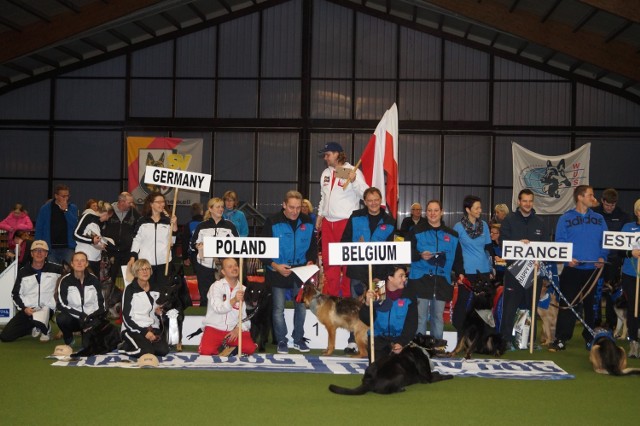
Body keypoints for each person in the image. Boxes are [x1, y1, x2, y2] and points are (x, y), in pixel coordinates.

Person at [551, 185, 608, 352]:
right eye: (590, 195)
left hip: (593, 270)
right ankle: (561, 338)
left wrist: (602, 257)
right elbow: (559, 241)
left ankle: (590, 337)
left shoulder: (599, 218)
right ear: (580, 197)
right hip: (572, 269)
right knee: (567, 304)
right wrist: (566, 258)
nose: (593, 198)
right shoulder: (565, 218)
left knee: (592, 306)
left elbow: (606, 240)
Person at [340, 187, 396, 353]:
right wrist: (356, 247)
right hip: (357, 271)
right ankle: (353, 341)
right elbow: (344, 240)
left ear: (381, 200)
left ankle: (376, 339)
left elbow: (390, 249)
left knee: (378, 306)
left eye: (376, 199)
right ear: (365, 201)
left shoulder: (389, 221)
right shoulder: (355, 217)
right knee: (356, 306)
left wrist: (383, 275)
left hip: (379, 273)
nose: (373, 203)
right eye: (370, 200)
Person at [261, 190, 317, 354]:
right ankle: (281, 341)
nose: (295, 211)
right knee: (278, 309)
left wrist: (310, 260)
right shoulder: (272, 221)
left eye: (298, 208)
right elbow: (262, 250)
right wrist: (275, 266)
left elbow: (313, 246)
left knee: (300, 307)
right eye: (291, 207)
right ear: (284, 205)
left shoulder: (307, 222)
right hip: (277, 270)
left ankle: (298, 339)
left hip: (300, 271)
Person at [316, 142, 368, 297]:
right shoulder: (325, 173)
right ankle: (331, 298)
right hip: (327, 223)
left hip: (346, 223)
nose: (325, 158)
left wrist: (354, 181)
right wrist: (320, 216)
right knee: (329, 262)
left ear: (337, 154)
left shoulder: (351, 171)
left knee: (346, 263)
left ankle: (346, 299)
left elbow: (366, 194)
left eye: (328, 154)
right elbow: (323, 197)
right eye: (325, 155)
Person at [497, 189, 548, 345]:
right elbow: (502, 243)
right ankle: (505, 338)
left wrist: (540, 259)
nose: (527, 204)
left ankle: (528, 340)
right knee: (510, 307)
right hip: (514, 271)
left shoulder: (540, 222)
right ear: (519, 202)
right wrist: (519, 244)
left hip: (534, 272)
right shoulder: (509, 220)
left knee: (531, 307)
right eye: (524, 201)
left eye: (530, 201)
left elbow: (546, 246)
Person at [407, 200, 464, 339]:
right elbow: (406, 251)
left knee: (438, 317)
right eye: (430, 210)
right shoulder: (415, 231)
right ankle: (419, 349)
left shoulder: (453, 235)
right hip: (420, 279)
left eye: (436, 210)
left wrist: (460, 272)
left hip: (442, 281)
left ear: (442, 212)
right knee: (420, 317)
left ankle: (437, 347)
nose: (433, 213)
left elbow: (457, 257)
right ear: (426, 213)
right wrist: (419, 255)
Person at [0, 240, 63, 342]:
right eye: (36, 250)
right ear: (31, 253)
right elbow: (15, 294)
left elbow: (70, 277)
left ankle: (44, 327)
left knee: (45, 311)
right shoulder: (23, 271)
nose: (39, 253)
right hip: (28, 310)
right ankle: (35, 326)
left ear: (46, 254)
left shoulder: (57, 269)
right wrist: (24, 308)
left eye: (42, 251)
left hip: (47, 308)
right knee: (5, 337)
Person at [452, 195, 494, 336]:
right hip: (467, 270)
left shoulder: (484, 226)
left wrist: (492, 266)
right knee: (463, 302)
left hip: (483, 270)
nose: (480, 210)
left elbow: (489, 247)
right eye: (477, 208)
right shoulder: (458, 227)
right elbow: (454, 250)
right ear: (468, 209)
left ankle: (483, 333)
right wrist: (458, 272)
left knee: (484, 304)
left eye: (480, 207)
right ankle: (458, 330)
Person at [198, 257, 257, 355]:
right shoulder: (216, 286)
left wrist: (239, 328)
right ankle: (227, 347)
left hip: (234, 330)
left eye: (236, 266)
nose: (234, 268)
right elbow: (218, 308)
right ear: (223, 272)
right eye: (230, 267)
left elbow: (245, 317)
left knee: (250, 349)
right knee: (206, 351)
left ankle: (228, 347)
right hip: (215, 328)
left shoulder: (244, 289)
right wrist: (234, 300)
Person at [359, 265, 417, 363]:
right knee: (378, 373)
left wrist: (401, 342)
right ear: (390, 278)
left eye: (405, 276)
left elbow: (412, 323)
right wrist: (367, 304)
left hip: (399, 340)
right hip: (377, 339)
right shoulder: (378, 289)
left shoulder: (409, 294)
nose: (404, 279)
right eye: (401, 276)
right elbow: (367, 321)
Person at [592, 188, 631, 329]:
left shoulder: (623, 216)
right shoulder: (594, 213)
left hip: (614, 260)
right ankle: (595, 321)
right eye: (607, 205)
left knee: (612, 294)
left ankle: (611, 322)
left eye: (612, 205)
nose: (609, 208)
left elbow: (627, 239)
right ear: (602, 201)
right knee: (596, 291)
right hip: (597, 259)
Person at [190, 197, 238, 306]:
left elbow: (237, 245)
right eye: (218, 207)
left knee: (223, 295)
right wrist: (198, 245)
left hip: (223, 268)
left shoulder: (229, 226)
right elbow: (192, 244)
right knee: (205, 296)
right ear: (210, 209)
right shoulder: (201, 226)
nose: (221, 209)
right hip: (204, 267)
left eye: (222, 207)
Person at [128, 192, 178, 291]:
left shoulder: (168, 221)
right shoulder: (142, 221)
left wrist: (175, 225)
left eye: (163, 202)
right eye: (158, 202)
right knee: (146, 290)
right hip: (146, 264)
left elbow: (172, 242)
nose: (162, 204)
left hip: (164, 262)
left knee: (162, 290)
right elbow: (137, 240)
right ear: (151, 204)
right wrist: (133, 257)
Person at [121, 258, 169, 358]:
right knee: (146, 352)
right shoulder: (130, 290)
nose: (145, 271)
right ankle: (124, 347)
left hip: (152, 328)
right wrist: (144, 332)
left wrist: (158, 312)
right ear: (135, 272)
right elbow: (126, 317)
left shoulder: (156, 288)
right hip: (133, 329)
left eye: (147, 269)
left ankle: (144, 345)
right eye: (141, 269)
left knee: (163, 351)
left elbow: (157, 310)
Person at [56, 251, 105, 346]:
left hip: (90, 319)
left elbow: (101, 303)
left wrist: (92, 317)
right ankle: (68, 338)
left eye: (82, 260)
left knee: (87, 346)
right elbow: (61, 304)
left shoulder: (94, 280)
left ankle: (88, 335)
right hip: (74, 318)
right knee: (61, 319)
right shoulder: (65, 281)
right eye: (76, 260)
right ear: (72, 264)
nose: (79, 263)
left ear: (86, 264)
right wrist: (81, 315)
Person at [35, 184, 79, 265]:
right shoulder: (45, 209)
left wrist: (66, 211)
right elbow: (39, 228)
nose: (66, 198)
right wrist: (38, 245)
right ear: (56, 196)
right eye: (63, 196)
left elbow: (75, 225)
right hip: (50, 248)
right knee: (52, 274)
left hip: (68, 248)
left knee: (68, 273)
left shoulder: (72, 208)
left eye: (67, 196)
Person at [102, 192, 141, 280]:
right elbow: (100, 226)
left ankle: (128, 293)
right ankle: (109, 293)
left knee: (129, 278)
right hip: (110, 251)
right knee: (109, 278)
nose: (131, 205)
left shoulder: (134, 212)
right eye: (129, 202)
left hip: (127, 251)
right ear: (122, 201)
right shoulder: (108, 210)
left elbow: (140, 227)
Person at [619, 199, 640, 358]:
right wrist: (630, 253)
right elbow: (618, 250)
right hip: (630, 275)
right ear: (637, 212)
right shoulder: (627, 228)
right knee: (634, 308)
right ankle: (633, 341)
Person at [74, 200, 113, 275]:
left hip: (96, 259)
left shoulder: (101, 223)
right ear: (105, 213)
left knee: (94, 284)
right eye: (108, 217)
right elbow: (75, 234)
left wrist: (102, 244)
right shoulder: (87, 216)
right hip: (84, 257)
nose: (108, 219)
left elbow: (97, 239)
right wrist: (91, 240)